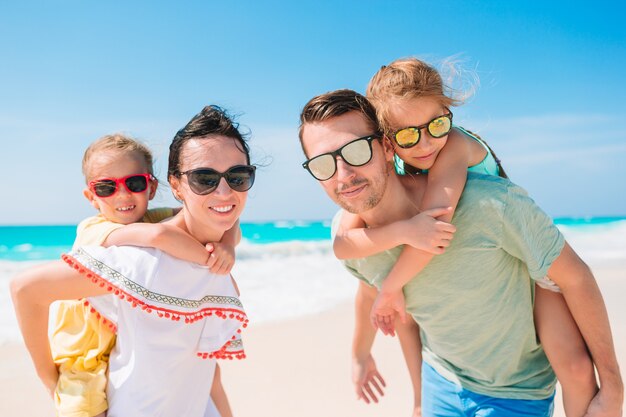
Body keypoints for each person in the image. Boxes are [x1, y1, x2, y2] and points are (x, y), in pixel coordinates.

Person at [298, 89, 623, 416]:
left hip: (513, 394)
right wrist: (375, 366)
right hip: (440, 382)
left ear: (385, 147)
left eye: (355, 151)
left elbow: (576, 278)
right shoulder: (352, 236)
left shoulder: (489, 204)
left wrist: (612, 385)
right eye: (323, 164)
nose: (344, 175)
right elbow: (376, 294)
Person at [11, 105, 254, 417]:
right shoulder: (123, 246)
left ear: (152, 188)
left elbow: (207, 370)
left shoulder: (159, 225)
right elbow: (25, 289)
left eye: (238, 176)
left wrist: (228, 249)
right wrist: (47, 377)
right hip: (79, 354)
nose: (122, 196)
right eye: (204, 178)